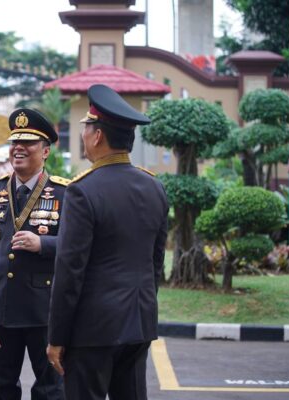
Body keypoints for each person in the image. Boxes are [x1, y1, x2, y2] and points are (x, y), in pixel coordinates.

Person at [47, 84, 169, 400]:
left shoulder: (82, 191)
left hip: (93, 329)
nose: (83, 135)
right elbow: (156, 262)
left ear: (98, 136)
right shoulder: (154, 186)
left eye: (86, 127)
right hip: (139, 321)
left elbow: (69, 269)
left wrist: (57, 336)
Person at [0, 108, 67, 400]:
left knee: (51, 388)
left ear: (46, 151)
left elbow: (79, 248)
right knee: (1, 387)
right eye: (15, 141)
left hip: (46, 311)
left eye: (28, 142)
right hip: (2, 307)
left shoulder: (64, 193)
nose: (18, 148)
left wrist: (45, 245)